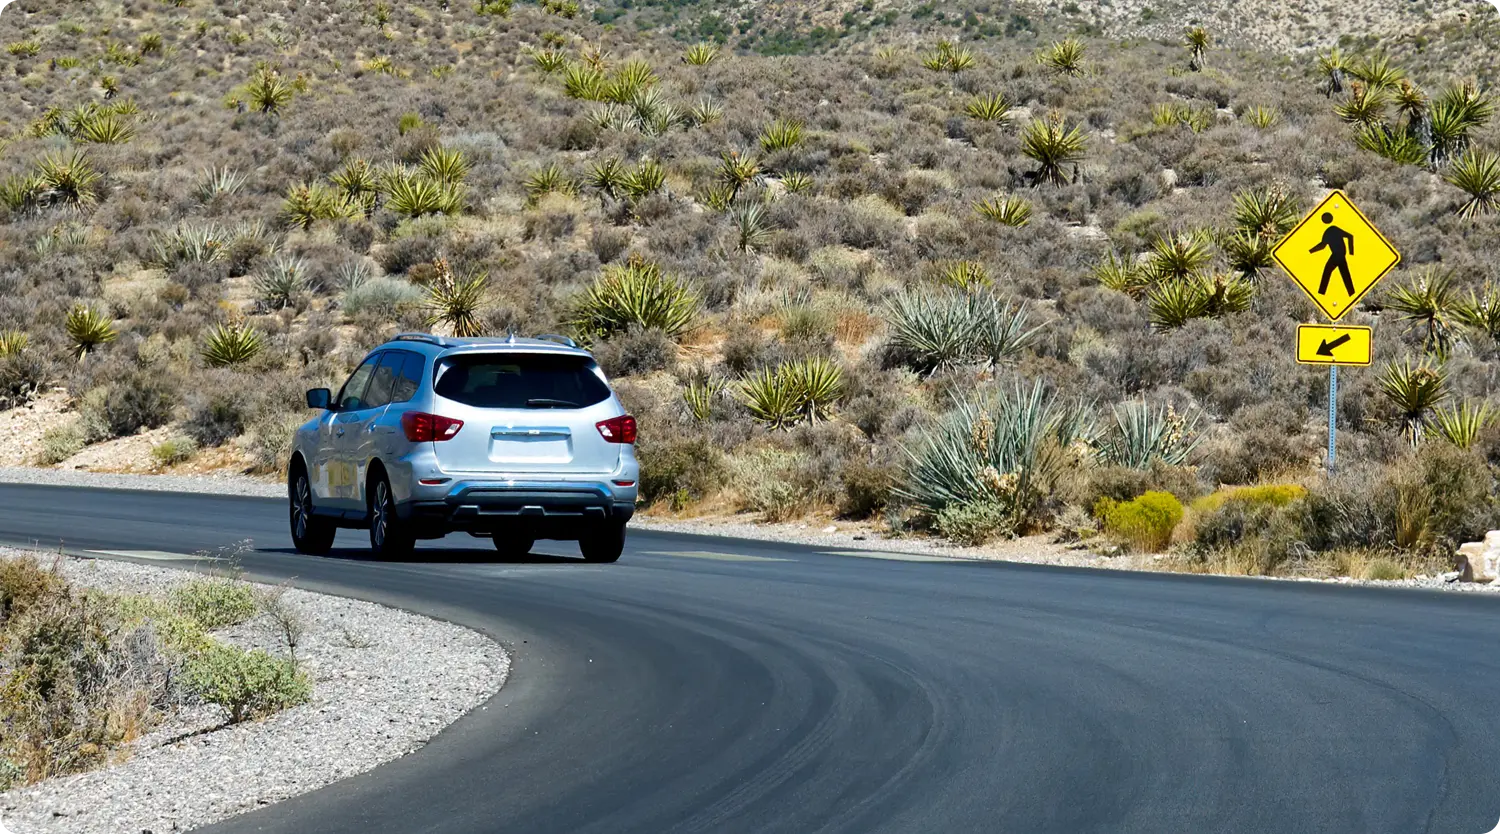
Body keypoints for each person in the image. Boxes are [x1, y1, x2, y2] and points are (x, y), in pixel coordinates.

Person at [1310, 212, 1355, 295]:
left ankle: (1321, 293)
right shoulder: (1332, 229)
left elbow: (1322, 246)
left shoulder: (1330, 230)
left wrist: (1351, 252)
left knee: (1327, 272)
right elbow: (1323, 245)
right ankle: (1351, 293)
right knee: (1345, 274)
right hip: (1340, 255)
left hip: (1337, 256)